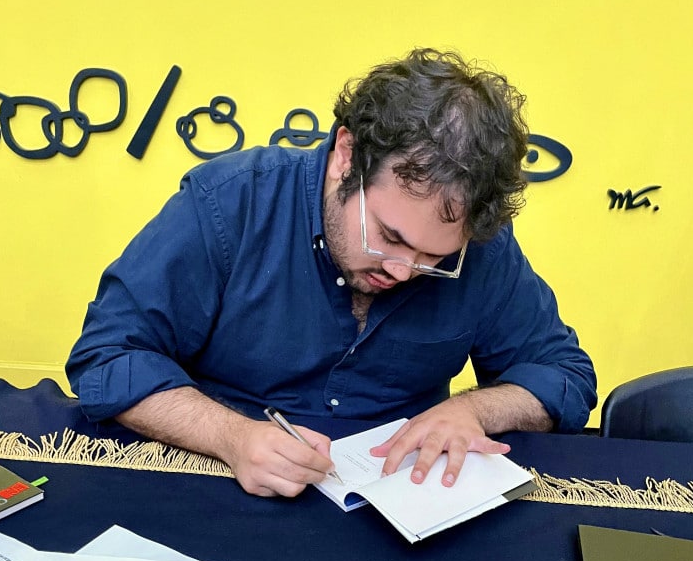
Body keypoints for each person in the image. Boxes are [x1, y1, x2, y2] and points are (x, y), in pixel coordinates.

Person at [66, 48, 597, 498]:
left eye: (434, 259)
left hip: (399, 509)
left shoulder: (482, 249)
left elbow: (565, 375)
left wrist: (475, 410)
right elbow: (107, 357)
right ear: (347, 155)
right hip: (224, 481)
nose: (403, 271)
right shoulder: (229, 204)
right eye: (389, 236)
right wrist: (231, 437)